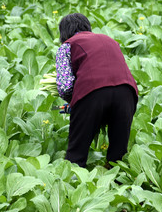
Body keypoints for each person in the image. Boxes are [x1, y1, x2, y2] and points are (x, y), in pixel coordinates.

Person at [56, 13, 138, 168]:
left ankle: (73, 186)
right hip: (126, 93)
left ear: (64, 33)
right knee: (117, 157)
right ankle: (117, 186)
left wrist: (74, 103)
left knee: (76, 154)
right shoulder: (111, 41)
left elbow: (65, 85)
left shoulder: (67, 45)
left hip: (92, 93)